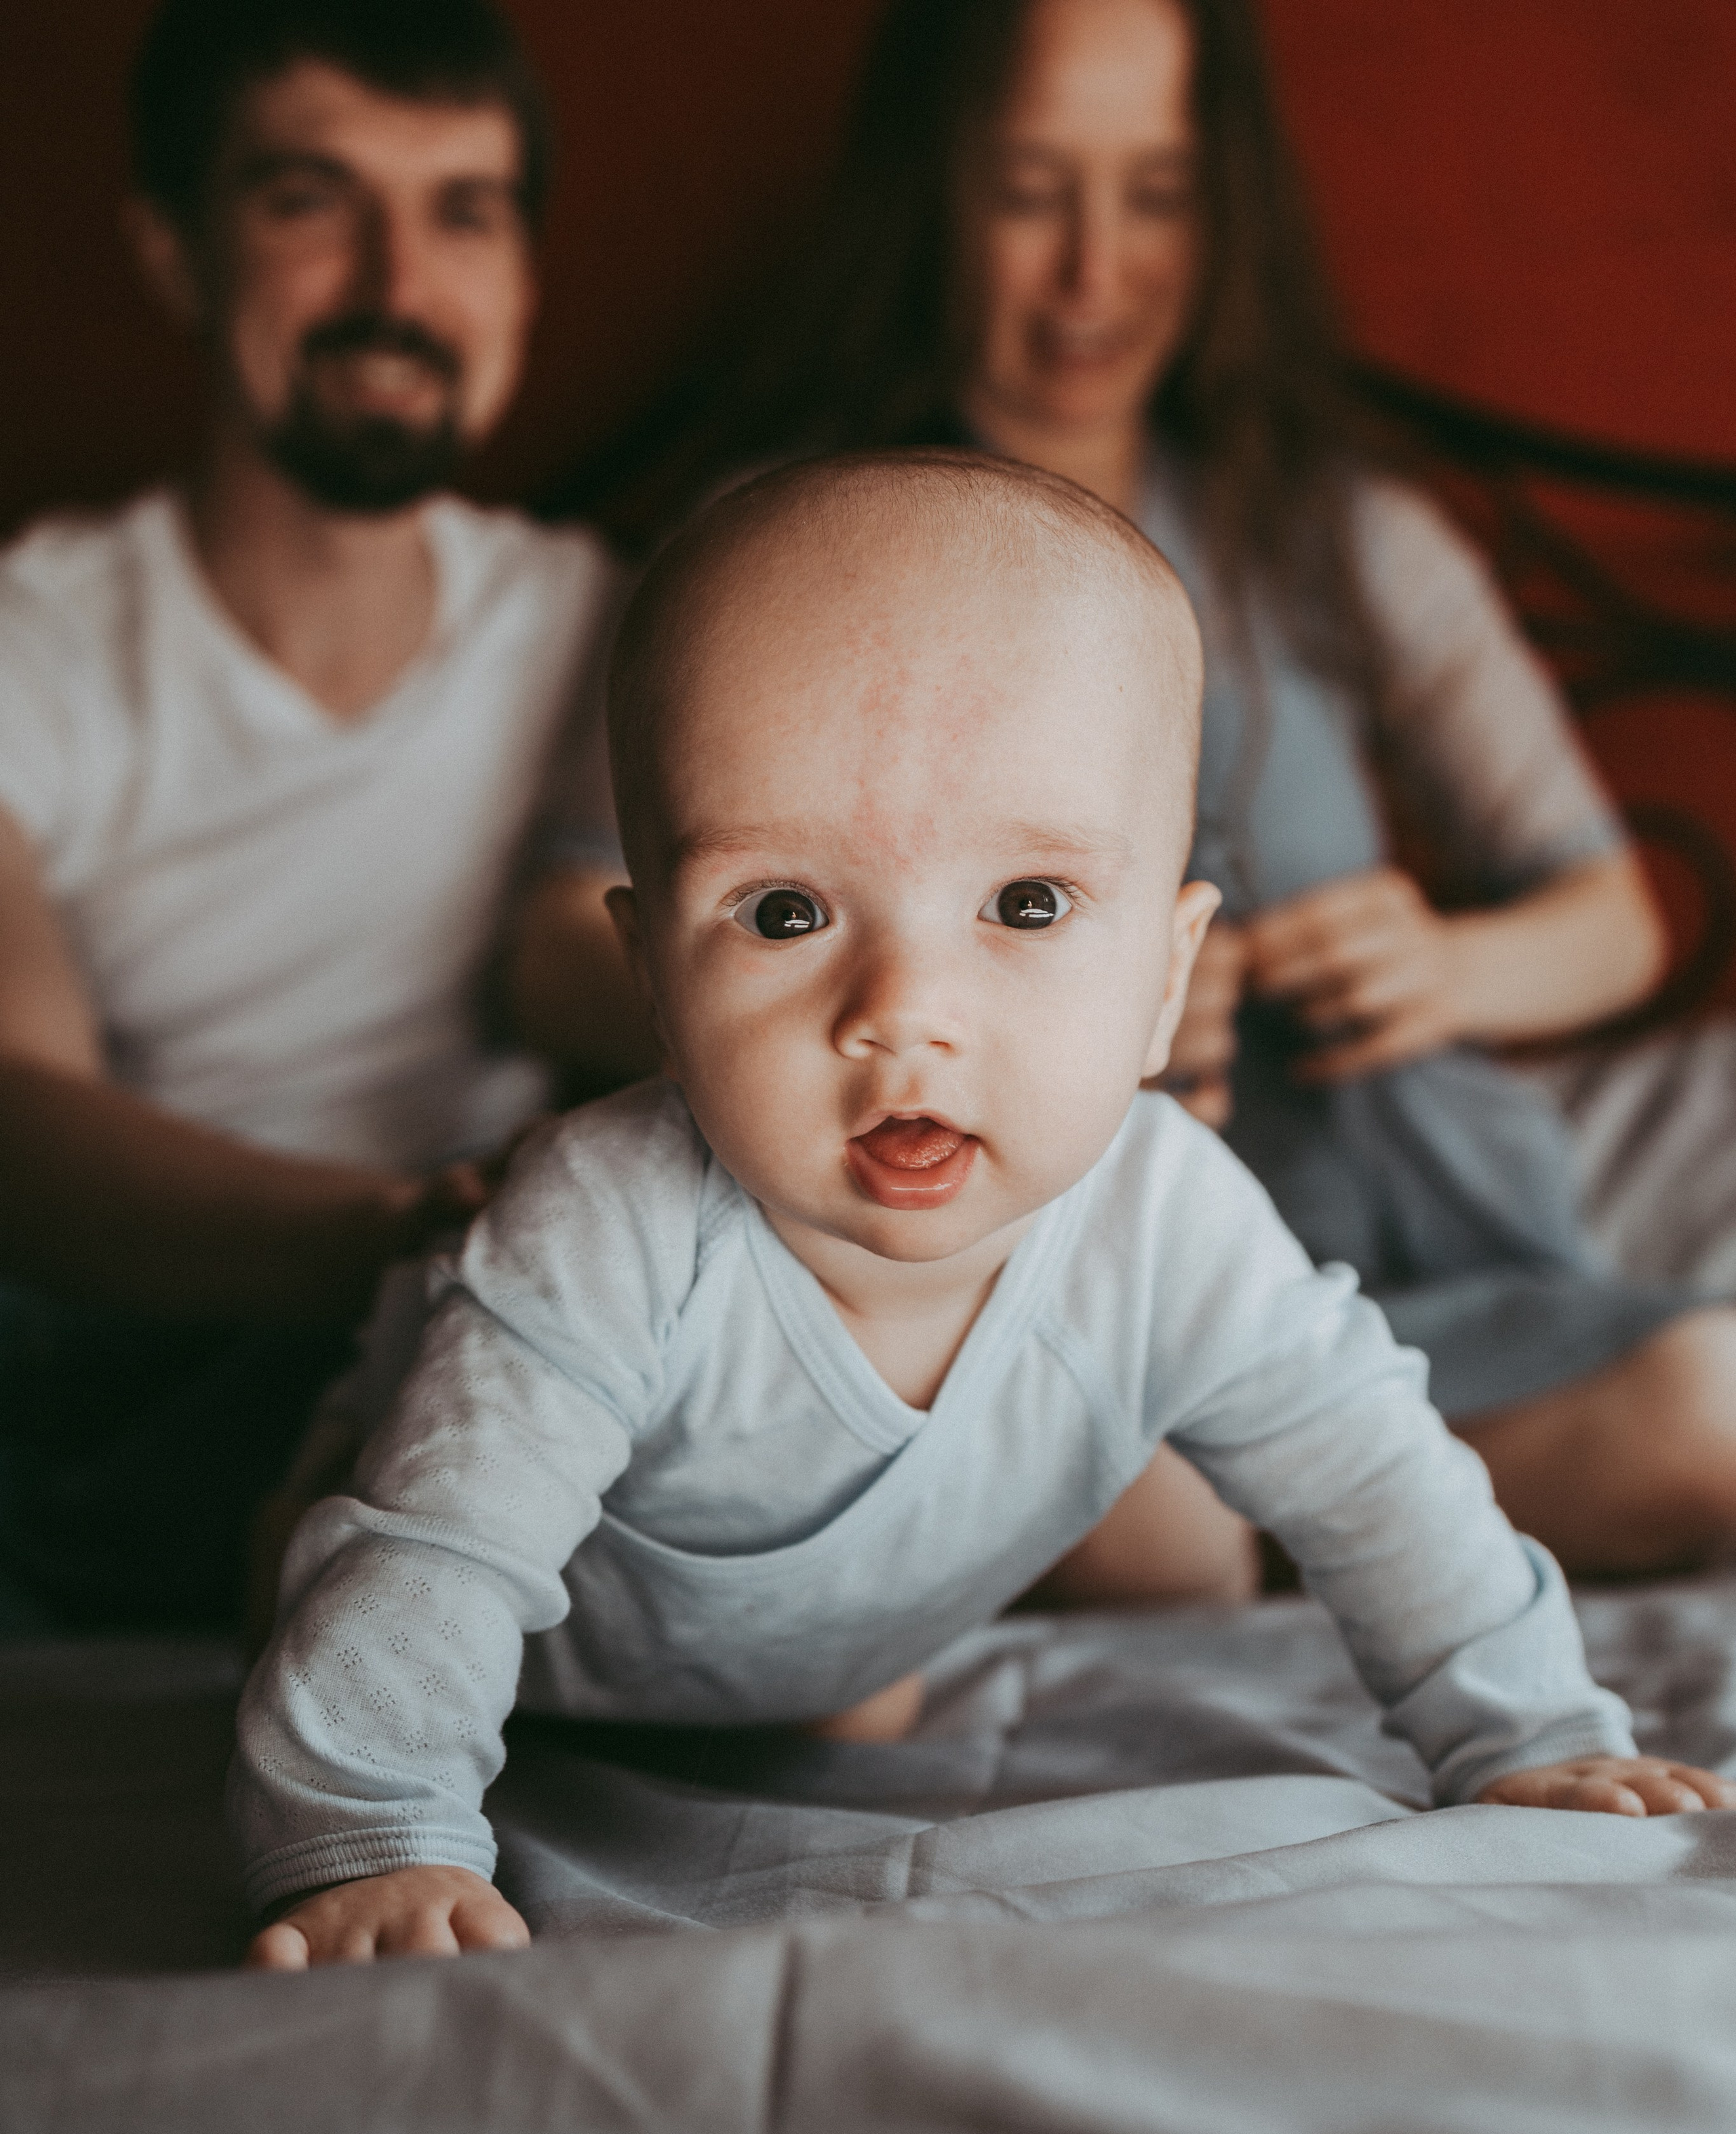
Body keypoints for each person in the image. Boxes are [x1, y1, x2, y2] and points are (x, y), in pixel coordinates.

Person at [229, 454, 1722, 1971]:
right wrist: (375, 1829)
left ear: (1162, 976)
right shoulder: (610, 1223)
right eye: (783, 913)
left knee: (867, 1685)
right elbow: (443, 1559)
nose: (904, 1013)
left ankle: (802, 1664)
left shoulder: (1171, 1218)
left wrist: (1525, 1736)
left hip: (807, 1638)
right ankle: (294, 1557)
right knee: (341, 1564)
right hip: (512, 1613)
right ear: (653, 985)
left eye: (1024, 906)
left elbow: (1379, 1483)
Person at [600, 0, 1736, 1585]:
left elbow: (1613, 915)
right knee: (1137, 1518)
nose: (1092, 271)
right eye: (1027, 191)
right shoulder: (789, 557)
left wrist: (1444, 962)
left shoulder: (1335, 536)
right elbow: (573, 937)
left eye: (1154, 193)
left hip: (1406, 1265)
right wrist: (1041, 1018)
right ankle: (1301, 1530)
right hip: (1028, 1282)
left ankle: (1291, 1517)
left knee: (1710, 1408)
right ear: (931, 193)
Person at [0, 0, 649, 1634]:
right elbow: (14, 1123)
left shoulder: (607, 626)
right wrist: (391, 1243)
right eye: (310, 200)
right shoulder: (39, 641)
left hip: (517, 1317)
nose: (395, 286)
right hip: (150, 1358)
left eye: (462, 212)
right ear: (172, 252)